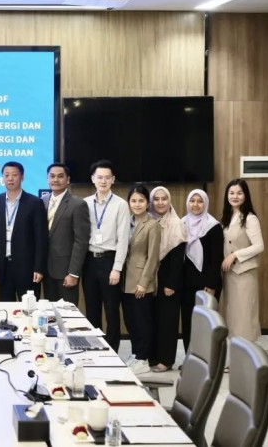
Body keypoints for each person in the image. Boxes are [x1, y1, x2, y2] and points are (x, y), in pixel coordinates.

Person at [82, 160, 130, 352]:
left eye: (107, 178)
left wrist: (117, 268)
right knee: (92, 308)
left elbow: (123, 239)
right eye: (99, 177)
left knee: (111, 309)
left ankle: (112, 351)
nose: (103, 181)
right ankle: (94, 349)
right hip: (89, 261)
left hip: (110, 260)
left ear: (113, 180)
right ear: (93, 179)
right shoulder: (85, 203)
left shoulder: (121, 204)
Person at [0, 161, 48, 301]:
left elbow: (41, 238)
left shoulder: (34, 203)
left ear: (22, 177)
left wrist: (39, 268)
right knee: (6, 308)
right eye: (6, 175)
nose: (10, 179)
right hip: (3, 268)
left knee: (29, 309)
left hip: (27, 268)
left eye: (14, 175)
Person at [122, 184, 160, 375]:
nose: (137, 204)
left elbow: (153, 257)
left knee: (143, 322)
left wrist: (144, 283)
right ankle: (136, 353)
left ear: (147, 203)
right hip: (125, 280)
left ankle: (143, 358)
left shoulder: (152, 225)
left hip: (141, 282)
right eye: (134, 201)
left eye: (141, 201)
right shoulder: (126, 222)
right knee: (131, 321)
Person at [148, 186, 186, 372]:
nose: (160, 202)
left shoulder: (176, 224)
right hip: (149, 277)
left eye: (164, 199)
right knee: (152, 319)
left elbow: (178, 259)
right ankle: (153, 357)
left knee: (167, 321)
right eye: (156, 199)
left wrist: (171, 283)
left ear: (169, 201)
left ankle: (166, 359)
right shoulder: (147, 220)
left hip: (168, 279)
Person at [220, 179, 264, 342]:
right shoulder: (228, 217)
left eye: (239, 193)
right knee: (233, 317)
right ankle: (234, 354)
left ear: (246, 196)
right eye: (231, 193)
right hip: (229, 275)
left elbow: (259, 246)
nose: (235, 196)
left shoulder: (250, 218)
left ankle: (245, 354)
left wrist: (235, 255)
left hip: (244, 274)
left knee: (244, 317)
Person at [41, 163, 90, 305]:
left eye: (60, 176)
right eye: (52, 176)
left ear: (68, 180)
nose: (56, 180)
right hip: (46, 270)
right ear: (47, 179)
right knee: (50, 312)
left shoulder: (78, 204)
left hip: (66, 272)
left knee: (68, 313)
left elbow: (81, 241)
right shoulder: (42, 202)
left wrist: (73, 273)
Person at [181, 189, 223, 351]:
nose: (196, 205)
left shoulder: (213, 226)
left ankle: (207, 359)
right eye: (192, 201)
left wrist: (211, 285)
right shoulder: (182, 223)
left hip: (206, 284)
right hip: (186, 283)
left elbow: (216, 259)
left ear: (205, 203)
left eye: (200, 201)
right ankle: (189, 357)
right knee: (188, 322)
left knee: (205, 323)